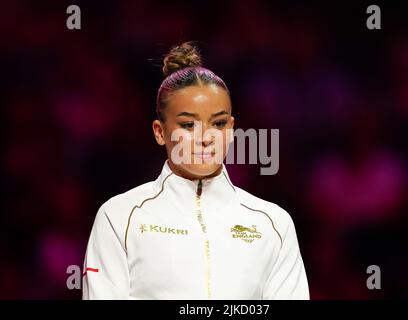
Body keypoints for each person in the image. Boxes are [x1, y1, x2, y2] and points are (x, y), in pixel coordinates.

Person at [82, 41, 309, 300]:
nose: (205, 137)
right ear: (160, 131)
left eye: (219, 123)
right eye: (188, 125)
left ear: (232, 129)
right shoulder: (119, 218)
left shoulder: (274, 224)